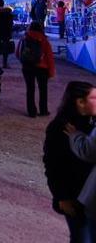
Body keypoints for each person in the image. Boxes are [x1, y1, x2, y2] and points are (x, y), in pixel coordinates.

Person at [44, 81, 96, 241]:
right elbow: (53, 166)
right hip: (75, 198)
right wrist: (62, 197)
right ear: (80, 102)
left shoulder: (92, 123)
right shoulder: (60, 128)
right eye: (94, 97)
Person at [17, 21, 56, 118]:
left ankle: (32, 112)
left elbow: (18, 53)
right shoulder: (44, 40)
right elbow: (49, 57)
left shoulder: (24, 38)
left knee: (30, 89)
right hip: (42, 68)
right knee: (43, 90)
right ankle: (43, 110)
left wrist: (25, 61)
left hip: (27, 67)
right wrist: (51, 71)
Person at [0, 0, 15, 69]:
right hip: (6, 33)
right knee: (5, 48)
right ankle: (4, 63)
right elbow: (11, 24)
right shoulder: (8, 13)